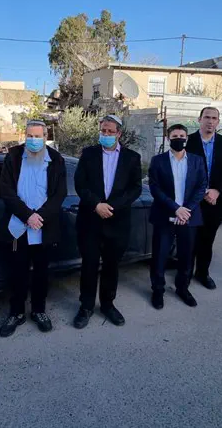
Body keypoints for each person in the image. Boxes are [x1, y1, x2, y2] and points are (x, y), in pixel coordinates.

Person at [0, 120, 67, 337]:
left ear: (46, 136)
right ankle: (16, 312)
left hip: (44, 227)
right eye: (30, 135)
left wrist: (40, 217)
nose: (33, 140)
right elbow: (6, 191)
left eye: (38, 136)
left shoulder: (56, 159)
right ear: (25, 135)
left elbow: (60, 194)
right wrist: (28, 216)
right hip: (19, 225)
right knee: (18, 272)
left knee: (41, 273)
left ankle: (39, 311)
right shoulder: (14, 156)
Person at [73, 115, 142, 328]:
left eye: (111, 132)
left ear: (119, 134)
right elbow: (80, 184)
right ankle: (85, 306)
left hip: (117, 221)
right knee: (89, 266)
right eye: (103, 131)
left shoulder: (132, 157)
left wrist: (113, 207)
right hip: (90, 221)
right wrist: (96, 205)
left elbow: (135, 188)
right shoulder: (89, 154)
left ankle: (107, 304)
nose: (106, 135)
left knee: (111, 266)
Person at [148, 124, 208, 309]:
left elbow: (201, 186)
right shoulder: (158, 161)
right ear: (168, 138)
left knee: (186, 255)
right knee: (160, 255)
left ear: (187, 138)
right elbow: (155, 188)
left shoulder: (197, 160)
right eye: (175, 135)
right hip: (165, 214)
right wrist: (176, 208)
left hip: (189, 216)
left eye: (182, 135)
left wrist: (186, 210)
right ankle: (158, 290)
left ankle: (183, 288)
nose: (179, 138)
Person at [186, 107, 222, 290]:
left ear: (218, 121)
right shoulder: (187, 141)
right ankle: (186, 272)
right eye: (207, 117)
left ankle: (202, 273)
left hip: (215, 200)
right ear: (199, 119)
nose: (210, 121)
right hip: (192, 201)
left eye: (214, 118)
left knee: (207, 239)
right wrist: (200, 193)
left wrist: (217, 190)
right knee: (190, 238)